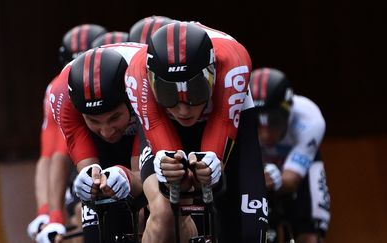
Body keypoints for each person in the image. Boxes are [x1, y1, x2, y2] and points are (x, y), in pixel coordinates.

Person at [125, 21, 267, 243]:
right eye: (168, 94)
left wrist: (212, 165)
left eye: (196, 92)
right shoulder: (137, 73)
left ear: (212, 74)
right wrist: (172, 170)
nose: (183, 110)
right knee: (167, 212)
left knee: (248, 233)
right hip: (163, 123)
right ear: (152, 82)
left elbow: (222, 120)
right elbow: (155, 126)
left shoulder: (232, 61)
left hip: (223, 113)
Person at [48, 43, 147, 243]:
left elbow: (142, 181)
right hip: (100, 146)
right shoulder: (61, 96)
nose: (106, 130)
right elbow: (85, 172)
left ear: (129, 102)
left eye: (114, 117)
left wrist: (128, 177)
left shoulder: (140, 84)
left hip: (143, 127)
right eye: (94, 120)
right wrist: (53, 215)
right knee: (95, 210)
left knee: (148, 213)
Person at [28, 23, 108, 243]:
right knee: (79, 218)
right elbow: (51, 156)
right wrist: (48, 214)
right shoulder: (58, 90)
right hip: (80, 159)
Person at [250, 67, 331, 243]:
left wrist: (273, 178)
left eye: (274, 121)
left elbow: (292, 181)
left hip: (299, 171)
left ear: (288, 112)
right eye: (257, 122)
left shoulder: (310, 119)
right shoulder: (237, 116)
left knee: (310, 236)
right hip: (259, 171)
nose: (265, 134)